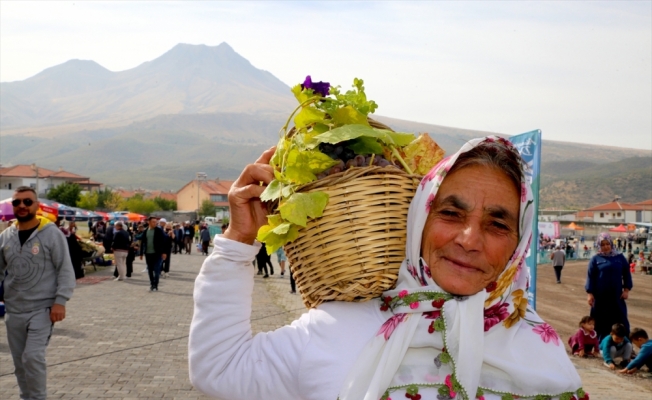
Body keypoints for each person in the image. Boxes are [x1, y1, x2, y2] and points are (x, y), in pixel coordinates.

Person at [189, 138, 585, 400]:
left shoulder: (536, 349)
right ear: (419, 219)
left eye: (497, 224)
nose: (469, 239)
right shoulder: (340, 327)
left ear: (519, 243)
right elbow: (219, 368)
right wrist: (239, 239)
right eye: (450, 213)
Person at [0, 186, 76, 400]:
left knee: (32, 357)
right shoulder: (6, 236)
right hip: (13, 310)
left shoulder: (52, 234)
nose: (22, 206)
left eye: (27, 202)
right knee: (19, 363)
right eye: (17, 202)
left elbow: (65, 269)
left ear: (37, 205)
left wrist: (60, 301)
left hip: (42, 309)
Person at [585, 232, 633, 340]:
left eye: (607, 244)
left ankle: (625, 344)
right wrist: (589, 293)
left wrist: (626, 290)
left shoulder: (620, 258)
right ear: (599, 245)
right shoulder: (595, 259)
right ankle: (600, 344)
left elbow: (626, 274)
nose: (605, 246)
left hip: (617, 296)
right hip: (600, 297)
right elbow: (590, 277)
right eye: (603, 244)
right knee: (600, 320)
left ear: (611, 243)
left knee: (621, 319)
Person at [140, 216, 167, 291]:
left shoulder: (159, 231)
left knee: (157, 269)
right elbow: (143, 242)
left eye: (156, 222)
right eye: (153, 222)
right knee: (150, 270)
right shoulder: (145, 231)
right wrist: (141, 253)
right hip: (148, 253)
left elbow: (164, 241)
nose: (155, 223)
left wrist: (164, 252)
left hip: (157, 253)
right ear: (149, 222)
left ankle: (156, 284)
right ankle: (152, 284)